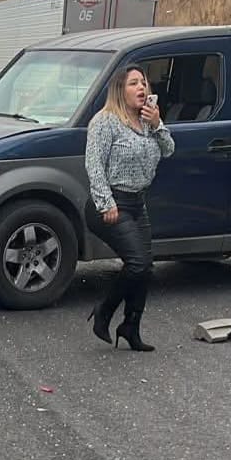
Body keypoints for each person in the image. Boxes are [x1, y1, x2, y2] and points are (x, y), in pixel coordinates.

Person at [84, 64, 175, 351]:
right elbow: (94, 164)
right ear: (120, 90)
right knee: (137, 263)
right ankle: (104, 311)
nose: (141, 88)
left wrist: (158, 124)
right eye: (134, 83)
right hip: (110, 202)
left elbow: (169, 149)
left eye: (144, 83)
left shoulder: (148, 121)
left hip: (137, 202)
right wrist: (105, 202)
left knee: (145, 268)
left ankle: (130, 327)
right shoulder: (105, 121)